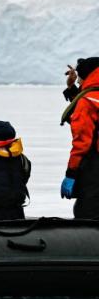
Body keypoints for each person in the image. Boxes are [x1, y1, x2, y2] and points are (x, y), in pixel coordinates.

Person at [60, 57, 99, 218]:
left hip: (95, 165)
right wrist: (72, 88)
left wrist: (71, 174)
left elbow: (82, 143)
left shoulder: (87, 101)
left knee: (87, 212)